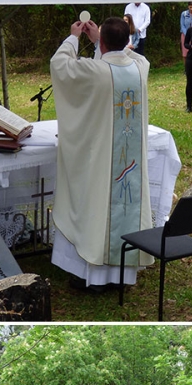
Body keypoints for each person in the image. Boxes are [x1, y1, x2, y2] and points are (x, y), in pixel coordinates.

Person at [49, 17, 153, 289]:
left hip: (103, 162)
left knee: (96, 207)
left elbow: (59, 66)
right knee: (123, 207)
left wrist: (74, 38)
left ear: (103, 42)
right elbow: (127, 54)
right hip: (128, 165)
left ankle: (94, 279)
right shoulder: (140, 69)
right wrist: (101, 40)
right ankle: (122, 277)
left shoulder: (95, 71)